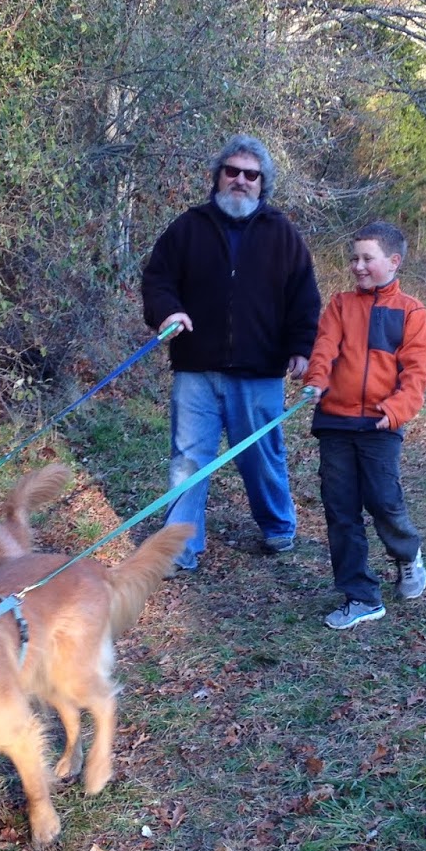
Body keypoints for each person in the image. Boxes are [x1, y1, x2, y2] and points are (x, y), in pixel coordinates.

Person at [141, 134, 322, 574]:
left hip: (259, 371)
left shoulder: (282, 233)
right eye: (233, 171)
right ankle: (180, 548)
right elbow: (158, 279)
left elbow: (304, 297)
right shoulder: (188, 227)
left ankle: (278, 526)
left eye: (251, 175)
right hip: (195, 369)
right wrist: (168, 311)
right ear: (218, 176)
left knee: (261, 457)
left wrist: (301, 348)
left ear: (262, 184)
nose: (241, 180)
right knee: (188, 460)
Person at [302, 221, 426, 628]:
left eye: (366, 258)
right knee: (340, 508)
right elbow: (325, 347)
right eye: (353, 258)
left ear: (393, 261)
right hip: (336, 423)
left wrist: (394, 411)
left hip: (380, 425)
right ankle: (360, 596)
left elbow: (416, 374)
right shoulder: (340, 305)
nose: (357, 266)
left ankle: (407, 555)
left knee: (383, 500)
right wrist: (316, 380)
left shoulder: (411, 312)